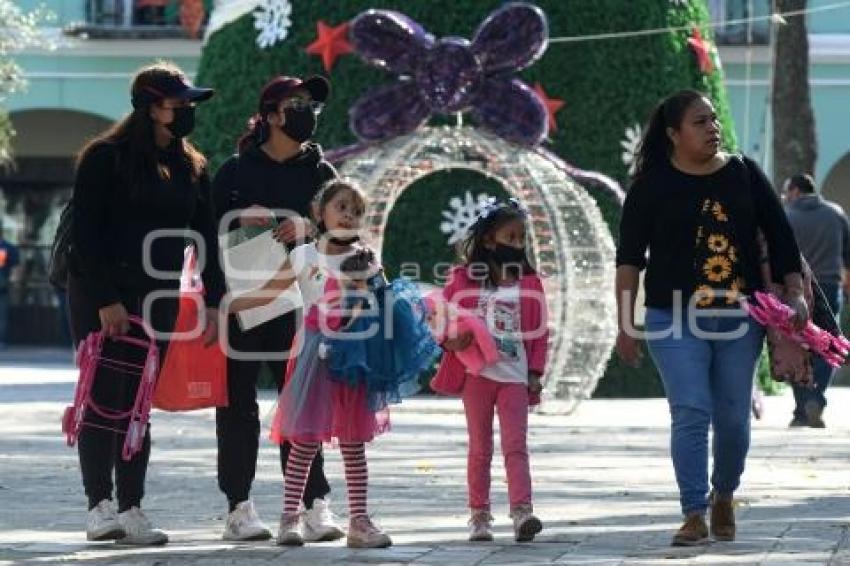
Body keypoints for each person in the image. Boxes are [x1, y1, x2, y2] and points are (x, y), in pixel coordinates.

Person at [615, 90, 806, 546]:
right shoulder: (650, 184)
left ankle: (724, 493)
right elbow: (628, 260)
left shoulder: (744, 174)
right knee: (690, 411)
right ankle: (694, 511)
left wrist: (796, 294)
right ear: (673, 134)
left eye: (713, 119)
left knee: (735, 420)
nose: (711, 127)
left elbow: (781, 238)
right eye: (699, 122)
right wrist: (625, 322)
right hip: (671, 316)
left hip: (740, 316)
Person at [69, 62, 224, 545]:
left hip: (158, 296)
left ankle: (132, 507)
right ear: (151, 108)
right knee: (104, 397)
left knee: (138, 403)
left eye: (189, 104)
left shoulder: (191, 165)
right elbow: (85, 236)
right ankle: (100, 506)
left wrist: (215, 302)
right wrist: (107, 300)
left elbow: (207, 239)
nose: (187, 112)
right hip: (103, 295)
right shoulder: (105, 158)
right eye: (179, 104)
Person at [229, 180, 430, 548]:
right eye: (342, 207)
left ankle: (358, 520)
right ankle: (290, 517)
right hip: (314, 358)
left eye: (356, 211)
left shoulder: (367, 258)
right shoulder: (303, 256)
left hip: (355, 357)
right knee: (305, 440)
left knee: (354, 442)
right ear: (319, 212)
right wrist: (227, 305)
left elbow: (382, 301)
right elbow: (269, 291)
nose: (349, 216)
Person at [211, 75, 343, 542]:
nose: (305, 110)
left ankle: (313, 503)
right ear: (269, 115)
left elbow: (342, 236)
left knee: (304, 404)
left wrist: (305, 226)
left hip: (303, 306)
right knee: (237, 407)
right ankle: (238, 506)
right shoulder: (233, 172)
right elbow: (208, 243)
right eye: (295, 103)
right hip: (243, 305)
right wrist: (213, 304)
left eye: (310, 103)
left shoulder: (321, 174)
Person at [436, 198, 548, 543]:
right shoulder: (462, 279)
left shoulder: (529, 282)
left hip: (514, 377)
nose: (516, 245)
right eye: (509, 237)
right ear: (488, 240)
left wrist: (535, 372)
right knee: (479, 447)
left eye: (520, 239)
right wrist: (450, 342)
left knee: (516, 445)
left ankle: (522, 512)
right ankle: (479, 515)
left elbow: (541, 330)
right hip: (476, 377)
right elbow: (442, 318)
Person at [782, 173, 850, 428]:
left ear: (796, 191)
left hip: (795, 290)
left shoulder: (786, 216)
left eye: (788, 192)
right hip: (830, 287)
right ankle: (815, 399)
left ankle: (801, 409)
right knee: (829, 345)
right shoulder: (836, 213)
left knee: (795, 346)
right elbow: (848, 255)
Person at [0, 223, 21, 348]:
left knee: (2, 315)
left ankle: (1, 340)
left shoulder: (8, 248)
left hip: (2, 288)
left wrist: (14, 282)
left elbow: (16, 268)